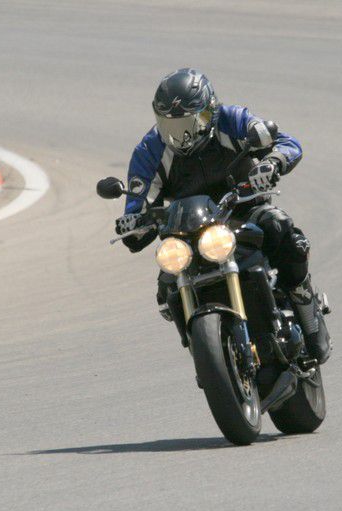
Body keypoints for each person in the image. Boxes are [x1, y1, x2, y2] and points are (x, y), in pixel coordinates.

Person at [114, 68, 330, 363]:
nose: (182, 135)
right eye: (171, 126)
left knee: (281, 229)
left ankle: (303, 299)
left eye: (192, 123)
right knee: (167, 290)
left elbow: (288, 144)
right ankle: (208, 356)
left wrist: (271, 163)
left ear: (210, 111)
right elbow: (137, 200)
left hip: (244, 209)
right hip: (188, 228)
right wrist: (133, 221)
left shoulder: (232, 119)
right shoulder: (150, 149)